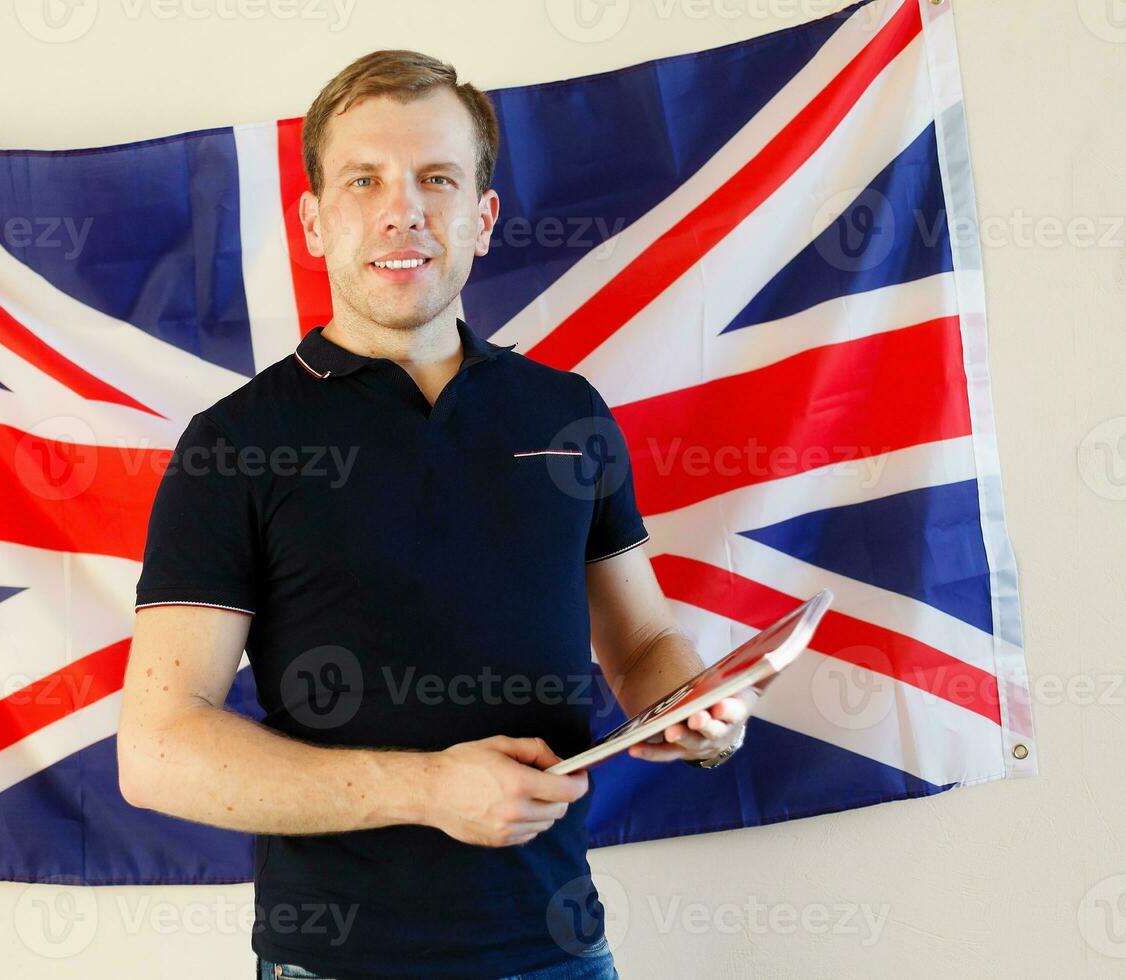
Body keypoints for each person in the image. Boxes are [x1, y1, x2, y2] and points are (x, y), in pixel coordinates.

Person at [117, 48, 753, 980]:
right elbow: (160, 749)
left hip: (558, 952)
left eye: (437, 179)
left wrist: (696, 708)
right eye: (364, 179)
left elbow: (644, 637)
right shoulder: (234, 444)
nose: (401, 209)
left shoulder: (565, 413)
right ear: (315, 222)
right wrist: (427, 791)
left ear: (483, 217)